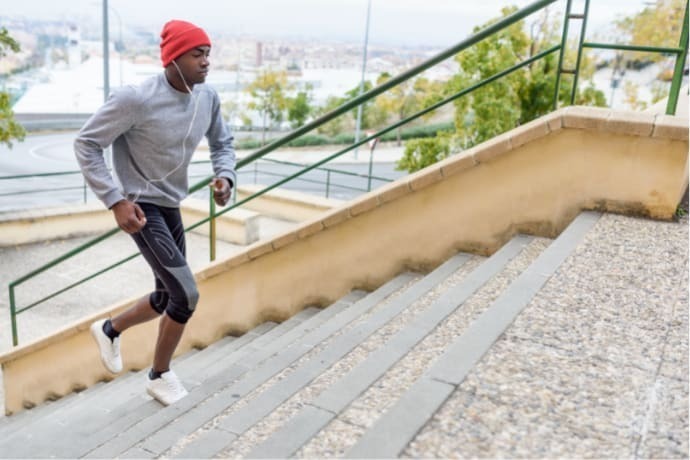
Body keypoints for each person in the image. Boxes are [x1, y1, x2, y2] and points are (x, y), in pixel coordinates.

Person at [74, 19, 236, 406]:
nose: (206, 61)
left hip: (171, 203)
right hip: (141, 207)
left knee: (166, 297)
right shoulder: (136, 98)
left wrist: (225, 176)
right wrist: (115, 199)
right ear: (173, 58)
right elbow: (87, 144)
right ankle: (159, 375)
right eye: (197, 53)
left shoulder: (207, 98)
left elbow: (223, 142)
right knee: (186, 294)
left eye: (208, 53)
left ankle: (111, 329)